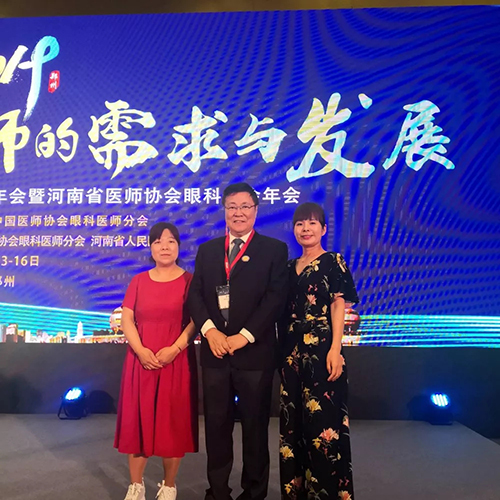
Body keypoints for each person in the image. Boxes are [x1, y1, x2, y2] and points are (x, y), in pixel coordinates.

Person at [188, 182, 288, 500]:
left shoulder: (274, 250)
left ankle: (254, 493)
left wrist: (244, 336)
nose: (238, 213)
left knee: (255, 429)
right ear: (225, 211)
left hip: (255, 354)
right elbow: (195, 296)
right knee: (216, 428)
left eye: (245, 206)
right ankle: (218, 492)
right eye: (232, 207)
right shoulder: (208, 251)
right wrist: (210, 331)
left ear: (255, 210)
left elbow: (275, 299)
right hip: (215, 353)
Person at [279, 203, 359, 500]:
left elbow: (339, 304)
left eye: (312, 223)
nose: (306, 229)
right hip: (291, 353)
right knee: (293, 426)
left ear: (323, 229)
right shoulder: (288, 267)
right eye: (300, 223)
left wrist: (336, 348)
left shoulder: (332, 261)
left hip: (324, 348)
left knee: (322, 426)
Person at [114, 222, 198, 500]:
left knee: (171, 423)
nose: (164, 246)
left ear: (179, 247)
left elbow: (196, 321)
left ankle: (169, 486)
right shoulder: (138, 281)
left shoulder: (190, 281)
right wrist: (140, 350)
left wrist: (175, 348)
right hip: (141, 361)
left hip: (176, 360)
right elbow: (127, 319)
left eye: (171, 241)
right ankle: (136, 486)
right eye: (158, 241)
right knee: (138, 422)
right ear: (150, 248)